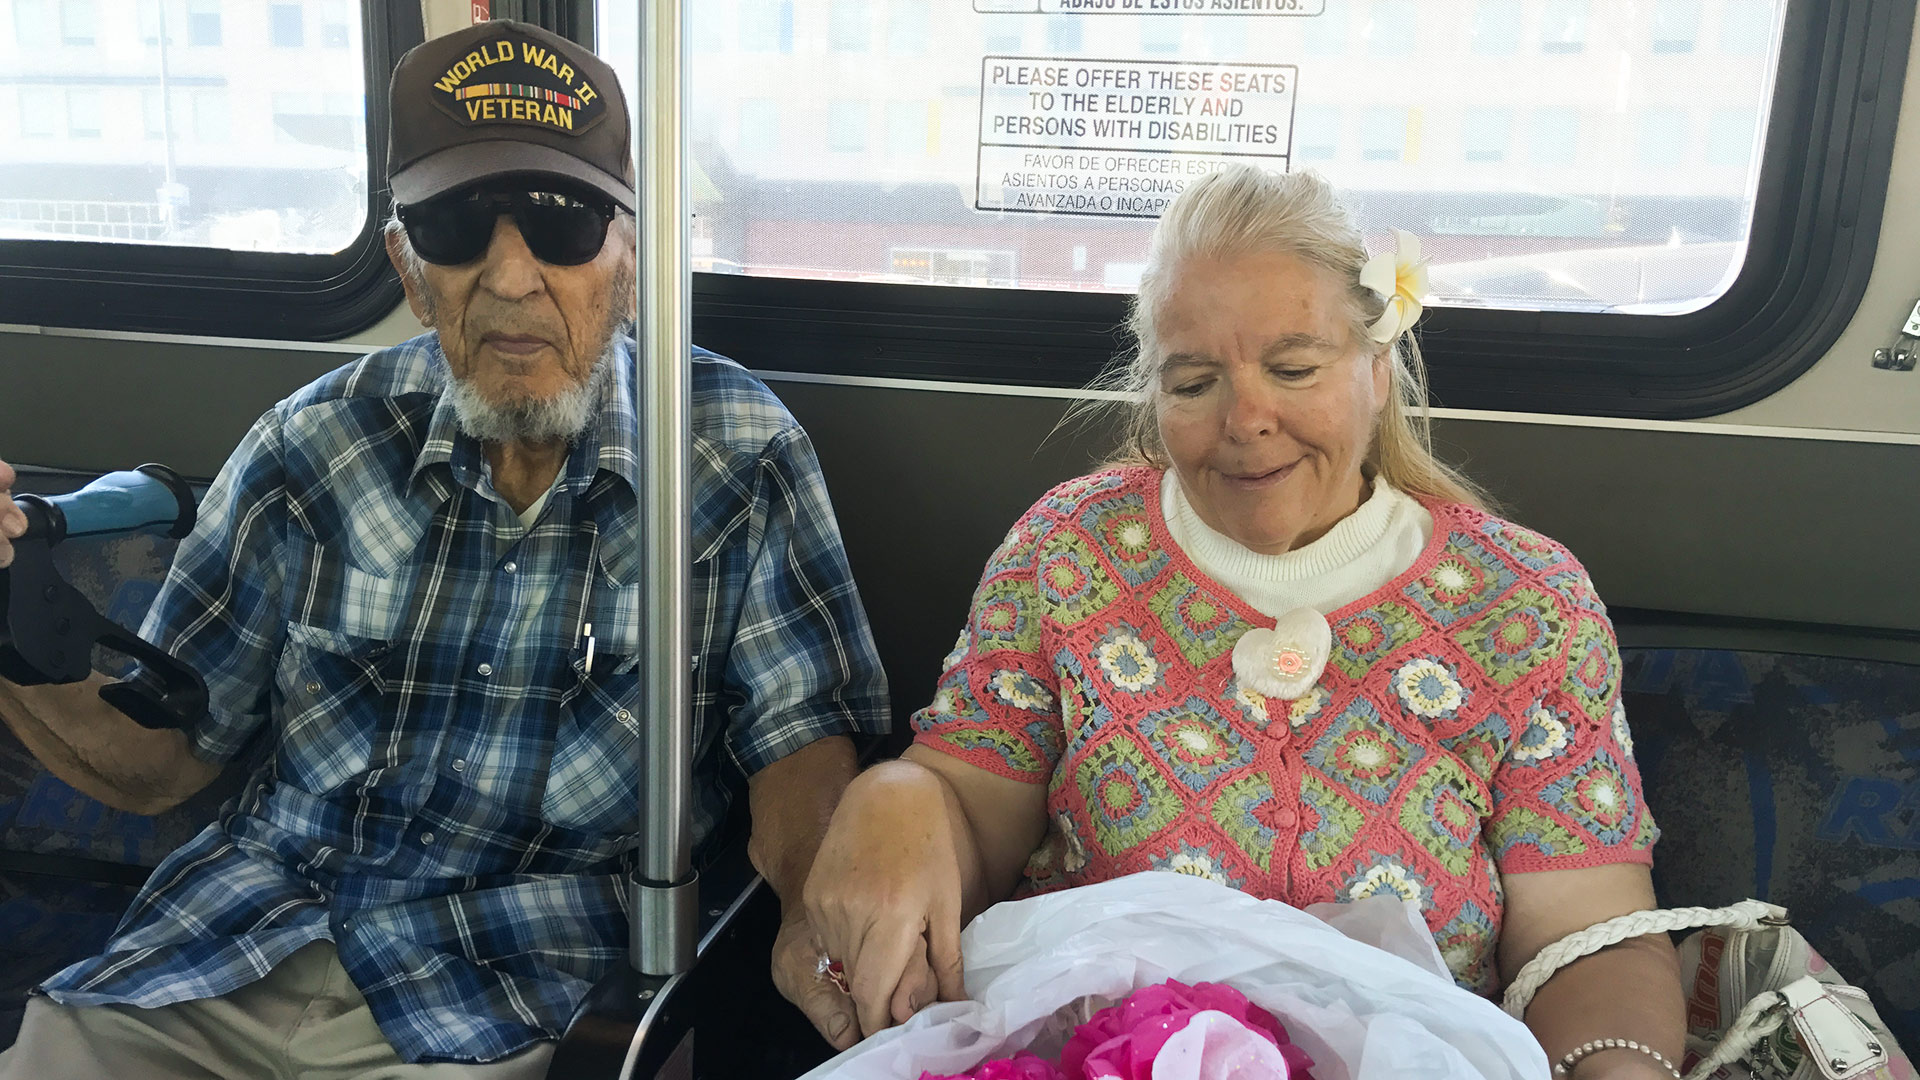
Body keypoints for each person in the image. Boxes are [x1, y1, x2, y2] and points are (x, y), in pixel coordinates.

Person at [0, 19, 887, 1078]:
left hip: (500, 1003)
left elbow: (806, 757)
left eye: (564, 225)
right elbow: (159, 759)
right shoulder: (309, 448)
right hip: (220, 959)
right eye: (460, 226)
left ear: (631, 252)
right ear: (407, 268)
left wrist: (813, 922)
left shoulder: (737, 458)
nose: (511, 278)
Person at [803, 165, 1686, 1079]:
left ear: (1377, 371)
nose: (1247, 418)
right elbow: (970, 826)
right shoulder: (1067, 553)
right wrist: (895, 795)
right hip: (1094, 1051)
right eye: (1194, 384)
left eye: (1294, 368)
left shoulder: (1528, 602)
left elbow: (1589, 935)